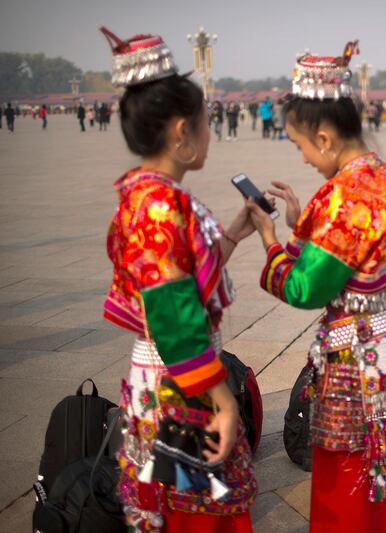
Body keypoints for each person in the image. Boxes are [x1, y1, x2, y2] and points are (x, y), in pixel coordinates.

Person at [247, 41, 386, 533]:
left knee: (352, 471)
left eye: (301, 146)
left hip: (356, 359)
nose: (305, 158)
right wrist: (305, 224)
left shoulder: (343, 195)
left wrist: (270, 242)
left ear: (325, 138)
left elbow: (306, 289)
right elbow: (368, 253)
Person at [98, 27, 257, 531]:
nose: (210, 131)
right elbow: (172, 312)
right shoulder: (161, 205)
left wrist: (232, 233)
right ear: (182, 132)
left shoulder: (145, 195)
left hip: (176, 376)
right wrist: (223, 397)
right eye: (207, 121)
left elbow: (182, 283)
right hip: (182, 385)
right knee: (199, 512)